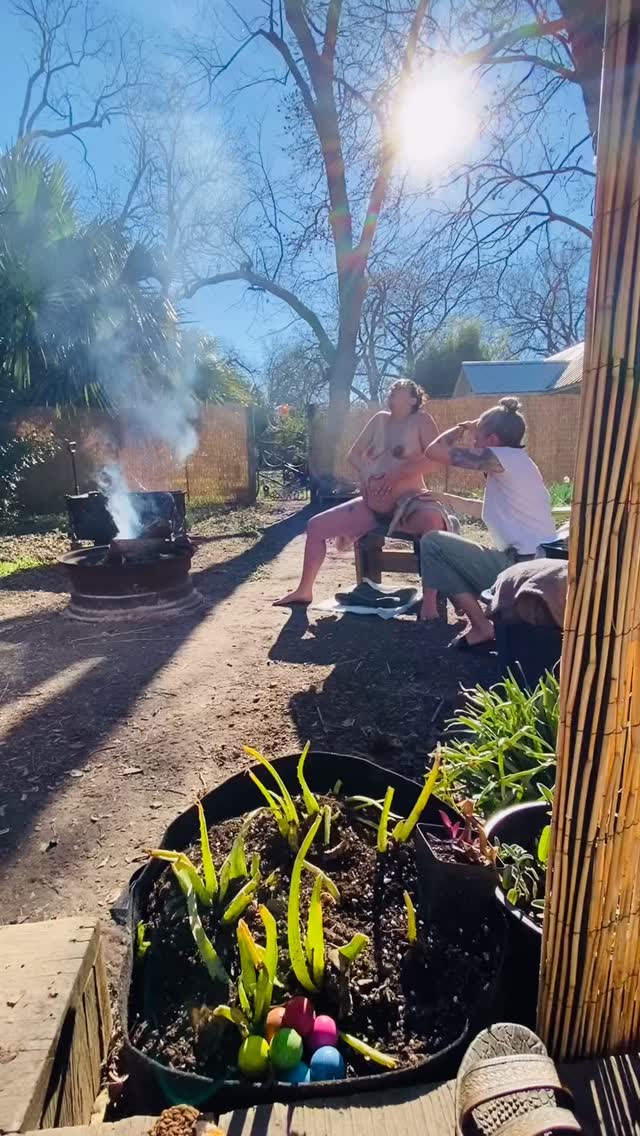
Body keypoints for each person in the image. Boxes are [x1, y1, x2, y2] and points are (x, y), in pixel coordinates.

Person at [274, 379, 451, 608]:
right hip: (373, 504)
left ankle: (430, 600)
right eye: (391, 390)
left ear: (414, 399)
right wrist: (367, 474)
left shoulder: (421, 420)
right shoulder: (379, 420)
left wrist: (398, 474)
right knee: (316, 526)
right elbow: (354, 455)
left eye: (400, 390)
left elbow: (437, 459)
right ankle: (304, 590)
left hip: (410, 503)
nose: (393, 392)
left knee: (433, 523)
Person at [419, 397, 556, 648]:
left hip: (522, 572)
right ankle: (480, 623)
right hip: (538, 567)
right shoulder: (521, 463)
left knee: (432, 543)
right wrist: (444, 498)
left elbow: (433, 451)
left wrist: (461, 427)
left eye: (476, 437)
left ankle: (482, 627)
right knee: (449, 550)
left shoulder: (499, 456)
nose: (473, 442)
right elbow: (487, 510)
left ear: (492, 441)